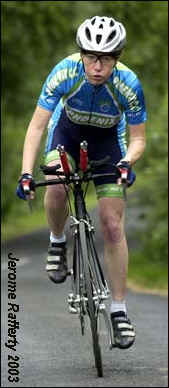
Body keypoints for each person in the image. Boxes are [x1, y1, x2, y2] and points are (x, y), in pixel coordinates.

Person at [16, 16, 146, 349]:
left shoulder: (129, 84)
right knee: (56, 182)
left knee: (113, 225)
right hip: (66, 136)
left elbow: (138, 139)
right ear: (81, 54)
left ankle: (118, 311)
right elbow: (35, 128)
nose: (97, 66)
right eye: (90, 56)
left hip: (108, 144)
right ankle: (58, 240)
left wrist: (127, 163)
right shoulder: (64, 72)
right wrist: (26, 173)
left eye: (106, 58)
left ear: (117, 58)